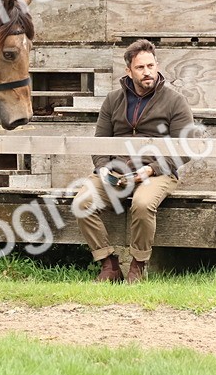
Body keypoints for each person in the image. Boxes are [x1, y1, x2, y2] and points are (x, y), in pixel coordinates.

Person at [73, 40, 195, 284]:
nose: (147, 72)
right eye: (140, 67)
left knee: (142, 203)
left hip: (158, 172)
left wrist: (151, 169)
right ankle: (109, 264)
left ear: (157, 65)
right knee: (82, 202)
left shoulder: (175, 101)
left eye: (151, 66)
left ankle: (138, 265)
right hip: (116, 173)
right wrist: (103, 168)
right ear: (128, 70)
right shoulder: (113, 100)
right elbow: (100, 141)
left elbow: (186, 146)